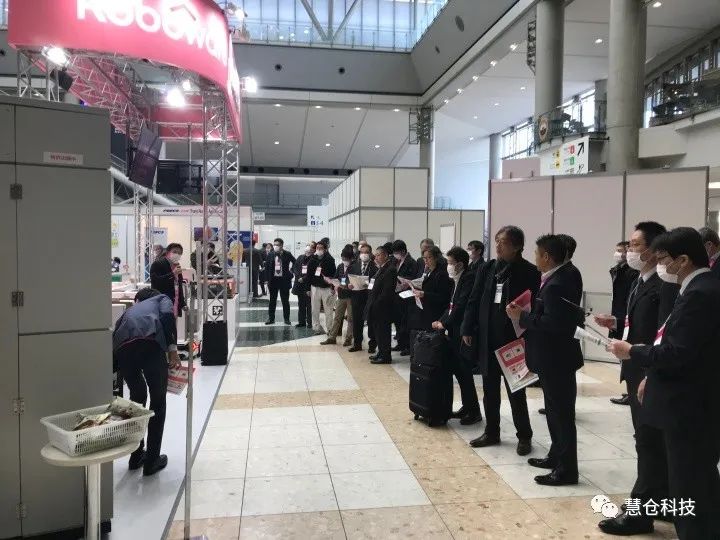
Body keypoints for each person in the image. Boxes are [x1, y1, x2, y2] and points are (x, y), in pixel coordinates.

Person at [608, 227, 720, 540]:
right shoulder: (697, 287)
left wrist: (633, 352)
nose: (661, 266)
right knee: (696, 482)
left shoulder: (701, 293)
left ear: (683, 260)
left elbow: (678, 351)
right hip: (686, 399)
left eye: (663, 259)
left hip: (690, 404)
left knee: (690, 485)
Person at [595, 222, 675, 536]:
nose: (629, 251)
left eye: (635, 245)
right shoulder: (638, 280)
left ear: (654, 250)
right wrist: (616, 322)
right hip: (636, 368)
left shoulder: (665, 285)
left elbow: (663, 334)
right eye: (628, 245)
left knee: (649, 442)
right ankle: (663, 502)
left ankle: (640, 512)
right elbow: (640, 324)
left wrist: (651, 374)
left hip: (648, 371)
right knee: (648, 439)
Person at [508, 234, 583, 486]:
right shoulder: (559, 276)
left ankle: (566, 470)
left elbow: (554, 323)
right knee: (554, 412)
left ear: (547, 257)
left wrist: (522, 317)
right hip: (553, 357)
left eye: (537, 254)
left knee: (561, 416)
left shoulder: (559, 282)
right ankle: (556, 456)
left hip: (556, 358)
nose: (535, 259)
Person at [461, 225, 539, 455]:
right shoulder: (488, 268)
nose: (497, 246)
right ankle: (492, 431)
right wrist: (467, 328)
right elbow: (474, 299)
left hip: (513, 340)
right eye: (496, 241)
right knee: (490, 390)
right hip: (488, 338)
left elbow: (534, 306)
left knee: (517, 391)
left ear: (517, 246)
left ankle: (524, 436)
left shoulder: (529, 271)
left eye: (503, 242)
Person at [113, 288, 180, 476]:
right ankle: (152, 460)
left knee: (137, 401)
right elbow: (167, 317)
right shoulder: (161, 298)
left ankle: (135, 457)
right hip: (150, 344)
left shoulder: (128, 312)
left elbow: (115, 333)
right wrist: (172, 349)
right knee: (158, 401)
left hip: (123, 350)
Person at [432, 246, 482, 425]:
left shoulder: (469, 278)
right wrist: (441, 320)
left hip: (464, 332)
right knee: (460, 372)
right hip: (454, 332)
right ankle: (467, 406)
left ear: (460, 264)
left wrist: (444, 323)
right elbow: (451, 305)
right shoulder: (456, 279)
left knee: (464, 372)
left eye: (450, 263)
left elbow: (461, 306)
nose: (448, 266)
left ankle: (474, 411)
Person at [407, 245, 452, 348]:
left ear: (436, 258)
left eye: (429, 257)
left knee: (434, 342)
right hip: (427, 310)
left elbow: (443, 297)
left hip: (436, 312)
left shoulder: (441, 274)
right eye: (424, 258)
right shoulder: (429, 271)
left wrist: (424, 294)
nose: (426, 260)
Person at [365, 244, 397, 364]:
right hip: (376, 306)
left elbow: (386, 292)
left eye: (379, 255)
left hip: (383, 307)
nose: (376, 257)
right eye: (375, 255)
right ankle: (381, 352)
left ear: (385, 255)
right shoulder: (381, 268)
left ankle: (385, 356)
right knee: (378, 332)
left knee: (383, 332)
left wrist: (377, 304)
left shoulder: (390, 269)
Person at [321, 245, 355, 346]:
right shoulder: (340, 266)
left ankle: (348, 338)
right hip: (341, 295)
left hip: (351, 296)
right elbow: (336, 278)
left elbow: (354, 280)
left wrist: (346, 285)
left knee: (350, 318)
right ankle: (332, 337)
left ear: (351, 258)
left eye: (346, 259)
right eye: (343, 258)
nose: (344, 260)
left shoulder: (355, 266)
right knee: (337, 317)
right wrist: (332, 285)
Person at [348, 243, 377, 352]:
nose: (364, 254)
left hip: (369, 298)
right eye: (362, 252)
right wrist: (349, 285)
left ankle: (372, 345)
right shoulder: (353, 266)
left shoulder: (375, 267)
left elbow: (376, 282)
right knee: (357, 321)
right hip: (356, 297)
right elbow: (348, 279)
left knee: (371, 322)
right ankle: (357, 344)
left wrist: (369, 285)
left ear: (370, 253)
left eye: (366, 252)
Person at [391, 240, 418, 355]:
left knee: (405, 321)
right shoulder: (395, 261)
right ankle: (400, 343)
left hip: (406, 296)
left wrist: (405, 281)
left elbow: (414, 278)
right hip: (396, 294)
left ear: (403, 251)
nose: (395, 255)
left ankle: (407, 345)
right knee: (397, 320)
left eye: (397, 252)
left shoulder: (411, 262)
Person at [307, 239, 337, 334]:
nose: (318, 250)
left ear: (325, 249)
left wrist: (333, 287)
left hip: (326, 288)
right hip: (315, 287)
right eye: (317, 248)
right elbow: (309, 275)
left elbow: (333, 274)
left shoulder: (330, 259)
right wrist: (308, 288)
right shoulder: (312, 259)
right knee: (314, 309)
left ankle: (329, 328)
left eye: (321, 248)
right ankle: (316, 327)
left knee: (328, 309)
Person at [150, 242, 186, 317]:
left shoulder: (177, 265)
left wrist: (182, 303)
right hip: (162, 303)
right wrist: (172, 274)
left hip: (175, 302)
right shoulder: (158, 264)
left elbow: (179, 285)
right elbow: (155, 282)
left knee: (173, 322)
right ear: (167, 252)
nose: (177, 254)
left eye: (179, 253)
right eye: (174, 252)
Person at [264, 238, 295, 325]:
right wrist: (266, 279)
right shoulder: (270, 254)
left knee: (285, 301)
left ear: (281, 245)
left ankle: (286, 319)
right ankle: (271, 318)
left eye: (277, 245)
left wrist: (291, 271)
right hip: (273, 281)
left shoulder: (287, 254)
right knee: (272, 300)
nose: (275, 246)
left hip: (284, 281)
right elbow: (267, 267)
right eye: (274, 244)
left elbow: (295, 262)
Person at [292, 243, 314, 328]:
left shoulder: (314, 259)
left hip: (308, 285)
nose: (307, 252)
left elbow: (313, 272)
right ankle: (301, 322)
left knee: (309, 305)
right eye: (306, 250)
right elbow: (295, 267)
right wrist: (298, 276)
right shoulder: (300, 257)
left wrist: (304, 278)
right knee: (301, 304)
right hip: (299, 284)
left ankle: (310, 322)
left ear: (312, 250)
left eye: (309, 250)